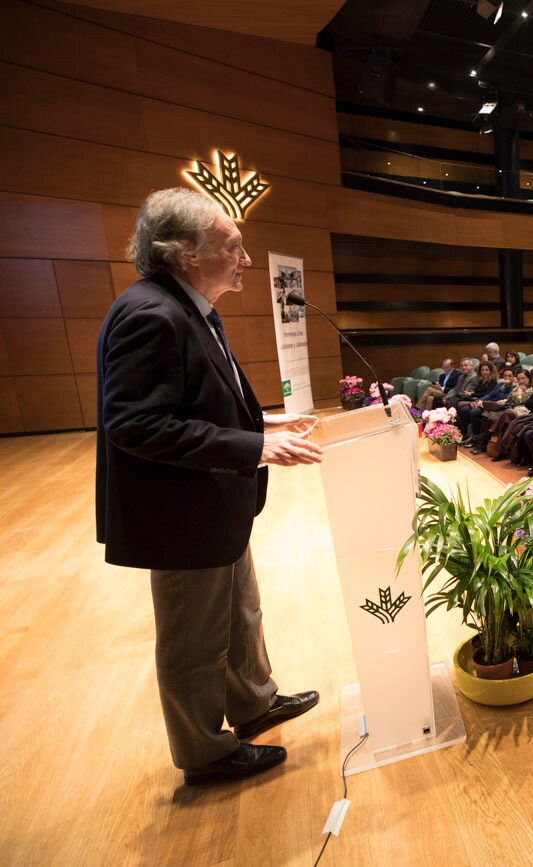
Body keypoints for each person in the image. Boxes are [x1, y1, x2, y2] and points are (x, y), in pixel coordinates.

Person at [97, 188, 321, 784]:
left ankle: (253, 703)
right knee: (195, 641)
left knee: (240, 614)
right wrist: (255, 447)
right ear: (186, 253)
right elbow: (136, 424)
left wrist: (267, 422)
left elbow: (199, 396)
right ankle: (204, 751)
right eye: (233, 246)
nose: (247, 259)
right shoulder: (152, 314)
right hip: (181, 514)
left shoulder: (192, 306)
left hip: (215, 503)